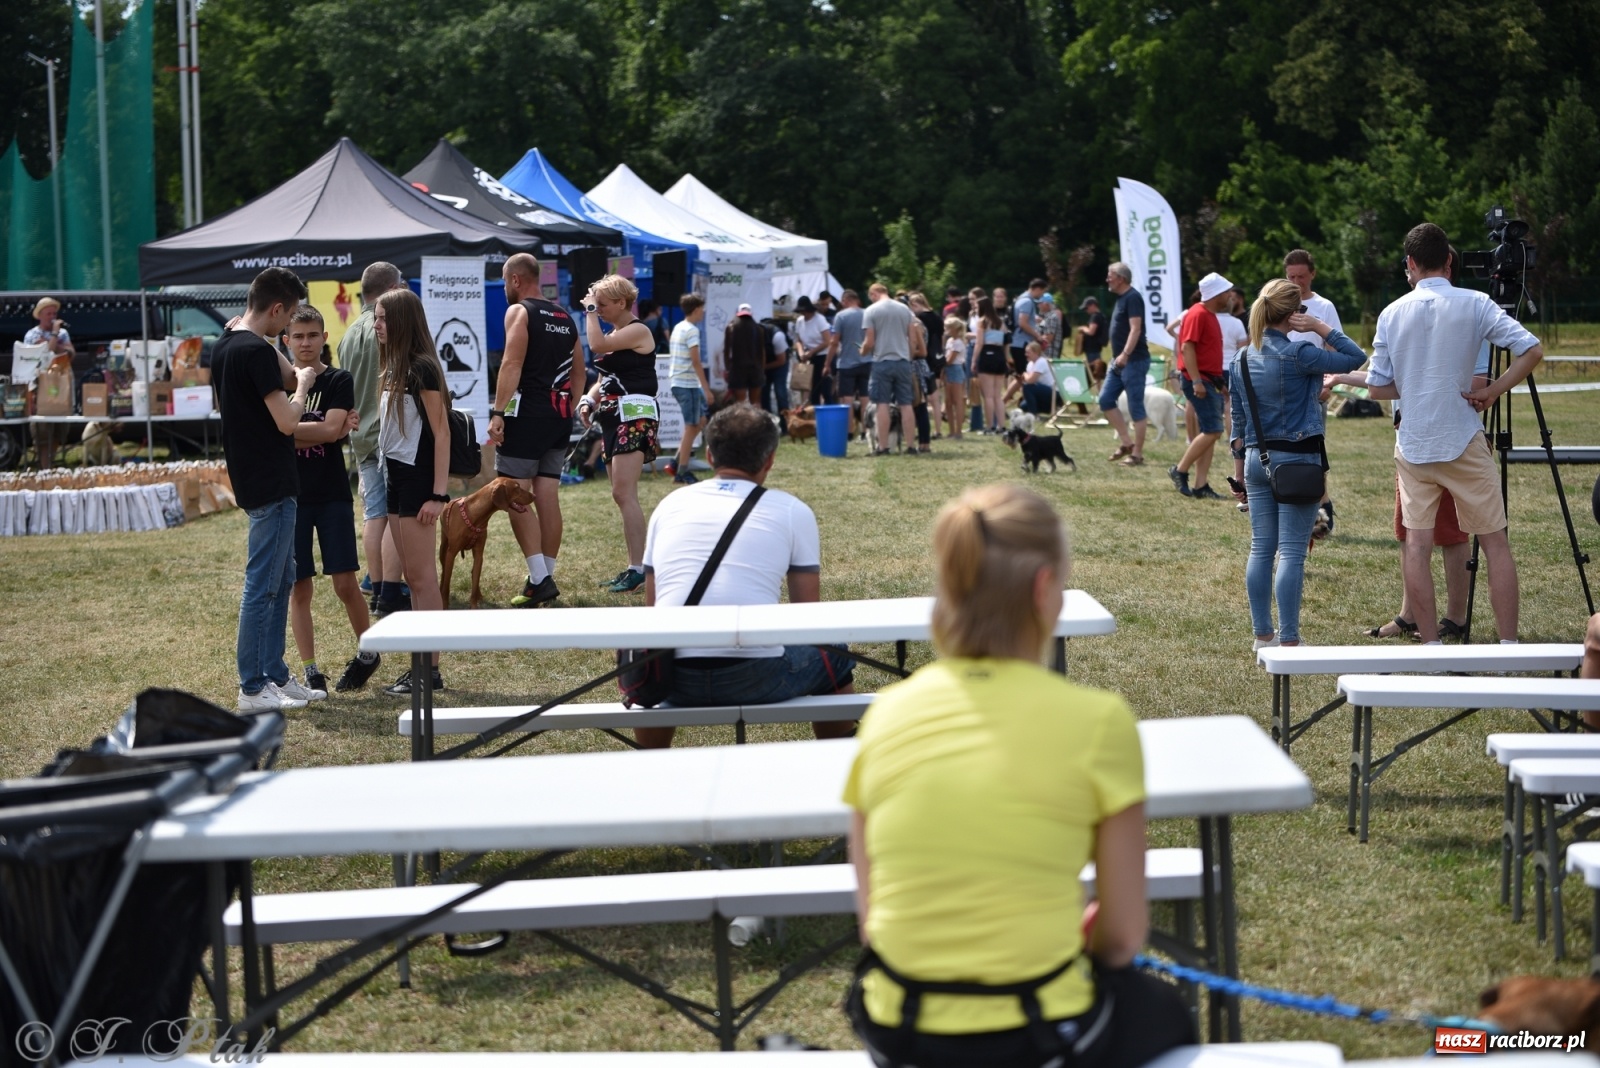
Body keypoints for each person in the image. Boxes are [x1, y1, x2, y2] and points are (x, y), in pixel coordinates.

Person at [843, 484, 1195, 1068]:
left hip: (899, 1028)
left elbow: (873, 917)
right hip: (1039, 1031)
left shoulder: (884, 715)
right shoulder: (1099, 721)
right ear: (1042, 589)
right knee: (1164, 1012)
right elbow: (1124, 937)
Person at [635, 403, 856, 749]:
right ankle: (838, 761)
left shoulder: (669, 506)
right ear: (770, 460)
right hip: (756, 675)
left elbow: (653, 610)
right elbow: (807, 617)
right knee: (835, 652)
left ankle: (650, 758)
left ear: (709, 455)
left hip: (669, 677)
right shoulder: (792, 511)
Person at [1366, 222, 1543, 645]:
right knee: (1495, 543)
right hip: (1463, 437)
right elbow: (1531, 350)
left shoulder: (1390, 313)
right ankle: (1508, 648)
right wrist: (1493, 393)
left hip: (1414, 443)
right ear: (1448, 261)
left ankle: (1430, 646)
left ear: (1410, 263)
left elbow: (1376, 387)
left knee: (1417, 546)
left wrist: (1414, 384)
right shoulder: (1477, 302)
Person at [1227, 279, 1367, 650]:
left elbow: (1238, 423)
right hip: (1297, 460)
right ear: (1293, 315)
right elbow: (1355, 358)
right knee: (1291, 551)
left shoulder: (1240, 358)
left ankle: (1263, 635)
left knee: (1260, 548)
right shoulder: (1301, 354)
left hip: (1257, 460)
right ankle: (1289, 640)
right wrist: (1321, 327)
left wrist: (1239, 474)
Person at [212, 266, 325, 712]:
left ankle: (274, 674)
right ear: (277, 309)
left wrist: (271, 347)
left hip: (253, 476)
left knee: (281, 578)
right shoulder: (252, 351)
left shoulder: (228, 344)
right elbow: (288, 419)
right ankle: (253, 685)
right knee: (263, 586)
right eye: (290, 317)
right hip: (272, 481)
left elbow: (283, 371)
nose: (291, 327)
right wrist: (305, 387)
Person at [283, 305, 375, 695]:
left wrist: (296, 431)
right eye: (298, 336)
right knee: (299, 587)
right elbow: (324, 430)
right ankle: (310, 668)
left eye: (312, 335)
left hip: (333, 493)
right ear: (285, 340)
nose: (305, 343)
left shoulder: (339, 379)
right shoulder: (278, 383)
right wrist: (324, 431)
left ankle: (370, 652)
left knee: (344, 583)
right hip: (292, 495)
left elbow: (326, 428)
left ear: (324, 338)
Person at [488, 253, 582, 608]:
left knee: (513, 493)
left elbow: (511, 363)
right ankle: (543, 577)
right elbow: (579, 371)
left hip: (526, 414)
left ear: (515, 279)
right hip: (559, 416)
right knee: (547, 497)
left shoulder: (519, 311)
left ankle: (540, 579)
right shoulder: (564, 315)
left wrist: (498, 411)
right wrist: (568, 406)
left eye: (503, 279)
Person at [375, 288, 451, 694]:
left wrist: (438, 495)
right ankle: (420, 664)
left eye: (384, 318)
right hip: (395, 476)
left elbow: (441, 433)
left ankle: (430, 670)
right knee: (411, 576)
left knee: (422, 579)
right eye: (376, 318)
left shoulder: (422, 368)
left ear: (403, 321)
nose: (377, 326)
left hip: (419, 480)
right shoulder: (394, 365)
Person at [579, 274, 660, 594]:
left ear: (622, 303)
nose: (597, 309)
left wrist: (587, 313)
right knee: (620, 494)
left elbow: (596, 346)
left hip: (635, 416)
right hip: (615, 417)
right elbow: (606, 376)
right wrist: (589, 399)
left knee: (624, 493)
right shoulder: (617, 333)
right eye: (594, 304)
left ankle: (639, 569)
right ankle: (633, 567)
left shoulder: (638, 330)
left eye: (602, 304)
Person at [340, 262, 409, 617]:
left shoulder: (349, 332)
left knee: (373, 514)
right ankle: (391, 589)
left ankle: (378, 588)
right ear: (392, 287)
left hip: (361, 434)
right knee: (393, 513)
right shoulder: (390, 327)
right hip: (391, 432)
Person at [1283, 250, 1344, 538]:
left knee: (1314, 457)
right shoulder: (1278, 304)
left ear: (1313, 274)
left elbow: (1335, 350)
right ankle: (1304, 512)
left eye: (1302, 277)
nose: (1296, 282)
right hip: (1281, 394)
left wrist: (1328, 385)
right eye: (1291, 277)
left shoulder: (1324, 307)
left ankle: (1322, 507)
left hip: (1311, 394)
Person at [1168, 272, 1235, 501]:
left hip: (1208, 379)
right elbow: (1187, 348)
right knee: (1213, 430)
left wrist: (1218, 383)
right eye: (1226, 292)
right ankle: (1180, 470)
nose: (1230, 295)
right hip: (1198, 380)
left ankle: (1200, 485)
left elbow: (1206, 353)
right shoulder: (1198, 314)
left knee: (1211, 430)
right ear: (1216, 294)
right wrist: (1196, 380)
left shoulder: (1209, 314)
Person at [1099, 263, 1153, 466]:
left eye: (1110, 276)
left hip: (1133, 360)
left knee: (1135, 407)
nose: (1107, 280)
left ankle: (1137, 454)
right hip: (1119, 361)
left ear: (1121, 278)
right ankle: (1126, 443)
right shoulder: (1121, 298)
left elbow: (1135, 329)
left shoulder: (1133, 297)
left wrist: (1125, 354)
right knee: (1105, 400)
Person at [861, 283, 920, 455]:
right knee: (906, 404)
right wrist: (908, 357)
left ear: (873, 294)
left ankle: (883, 447)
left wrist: (862, 350)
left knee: (882, 404)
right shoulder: (904, 309)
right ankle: (910, 446)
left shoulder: (871, 311)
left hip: (882, 362)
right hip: (902, 361)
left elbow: (869, 342)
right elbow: (913, 339)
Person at [664, 293, 712, 486]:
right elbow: (696, 361)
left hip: (678, 381)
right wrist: (706, 389)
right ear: (697, 309)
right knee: (692, 427)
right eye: (703, 308)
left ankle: (675, 463)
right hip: (687, 383)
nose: (704, 312)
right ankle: (682, 472)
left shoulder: (678, 327)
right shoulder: (692, 330)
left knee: (699, 421)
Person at [23, 297, 75, 469]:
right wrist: (54, 337)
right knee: (42, 430)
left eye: (55, 313)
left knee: (59, 428)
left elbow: (70, 355)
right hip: (39, 386)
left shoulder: (63, 334)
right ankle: (45, 468)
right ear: (40, 316)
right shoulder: (32, 335)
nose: (53, 316)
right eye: (49, 314)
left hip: (59, 386)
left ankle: (51, 463)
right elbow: (47, 353)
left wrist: (55, 344)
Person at [826, 290, 870, 437]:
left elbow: (834, 342)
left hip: (846, 363)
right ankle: (866, 430)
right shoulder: (868, 314)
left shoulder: (840, 316)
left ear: (846, 300)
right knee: (865, 398)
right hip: (867, 361)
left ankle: (850, 431)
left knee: (847, 398)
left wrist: (827, 364)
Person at [909, 291, 944, 448]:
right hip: (936, 358)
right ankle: (938, 429)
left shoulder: (919, 320)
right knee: (935, 398)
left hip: (922, 359)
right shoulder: (937, 317)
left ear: (915, 305)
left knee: (920, 399)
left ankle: (917, 432)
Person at [972, 296, 1009, 434]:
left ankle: (989, 426)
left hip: (987, 354)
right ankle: (1002, 425)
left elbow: (979, 343)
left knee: (987, 395)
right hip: (999, 355)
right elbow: (1006, 340)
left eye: (976, 307)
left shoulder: (982, 322)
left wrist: (974, 360)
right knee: (997, 395)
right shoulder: (1000, 322)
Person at [792, 295, 834, 409]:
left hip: (823, 356)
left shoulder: (819, 319)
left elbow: (827, 341)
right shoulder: (799, 321)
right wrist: (801, 352)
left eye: (804, 311)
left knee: (825, 390)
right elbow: (798, 340)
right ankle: (815, 418)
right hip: (809, 357)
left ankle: (830, 416)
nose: (803, 313)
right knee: (813, 392)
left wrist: (812, 352)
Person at [1004, 341, 1056, 415]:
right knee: (1023, 407)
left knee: (1027, 387)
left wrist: (1024, 374)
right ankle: (1003, 402)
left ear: (1036, 353)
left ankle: (1033, 414)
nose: (1025, 355)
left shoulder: (1041, 362)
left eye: (1028, 352)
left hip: (1053, 393)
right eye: (1025, 352)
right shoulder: (1030, 364)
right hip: (1042, 391)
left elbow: (1030, 381)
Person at [1010, 278, 1047, 376]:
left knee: (1021, 375)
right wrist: (1037, 336)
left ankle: (1010, 392)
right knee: (1025, 374)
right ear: (1038, 289)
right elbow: (1022, 323)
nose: (1042, 295)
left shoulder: (1021, 298)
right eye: (1043, 291)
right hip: (1021, 342)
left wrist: (1033, 318)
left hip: (1017, 341)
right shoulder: (1027, 302)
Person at [940, 316, 969, 439]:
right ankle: (951, 430)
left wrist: (940, 363)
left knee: (957, 401)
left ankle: (958, 431)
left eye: (948, 328)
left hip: (955, 370)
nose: (946, 330)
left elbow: (950, 360)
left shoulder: (958, 342)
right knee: (948, 402)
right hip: (948, 370)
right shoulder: (949, 341)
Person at [1077, 296, 1108, 384]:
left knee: (1094, 371)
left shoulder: (1095, 317)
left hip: (1092, 349)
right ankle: (1098, 390)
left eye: (1087, 308)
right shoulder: (1101, 316)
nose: (1086, 310)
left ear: (1093, 305)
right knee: (1097, 370)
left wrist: (1083, 328)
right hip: (1097, 348)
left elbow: (1091, 331)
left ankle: (1097, 391)